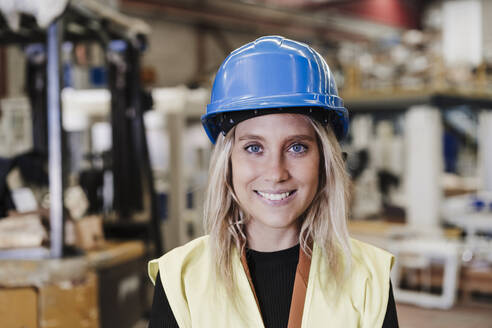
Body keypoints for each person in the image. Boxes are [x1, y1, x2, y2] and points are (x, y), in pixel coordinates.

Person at [148, 36, 398, 328]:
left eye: (297, 147)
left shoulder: (367, 277)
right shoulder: (181, 279)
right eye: (254, 148)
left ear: (324, 161)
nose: (276, 172)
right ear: (227, 164)